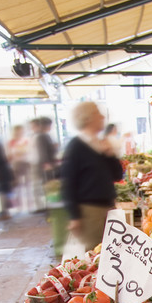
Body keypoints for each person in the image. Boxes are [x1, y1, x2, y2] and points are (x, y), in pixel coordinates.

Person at [61, 102, 123, 252]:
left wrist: (110, 155)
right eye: (98, 114)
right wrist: (74, 217)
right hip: (90, 212)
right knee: (94, 254)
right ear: (87, 118)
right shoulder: (76, 147)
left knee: (111, 253)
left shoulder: (100, 144)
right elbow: (68, 184)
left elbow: (117, 175)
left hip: (108, 208)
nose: (102, 117)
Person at [7, 125, 29, 212]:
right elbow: (9, 155)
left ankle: (29, 205)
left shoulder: (26, 140)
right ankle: (19, 206)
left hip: (26, 163)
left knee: (28, 185)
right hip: (15, 165)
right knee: (17, 186)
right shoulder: (10, 142)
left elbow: (30, 151)